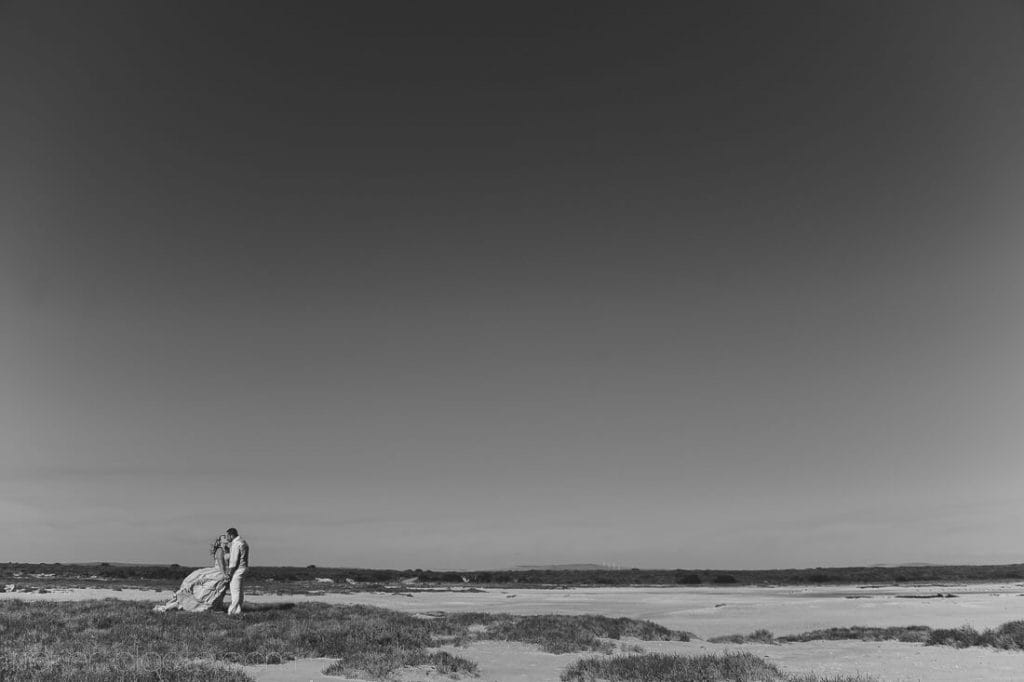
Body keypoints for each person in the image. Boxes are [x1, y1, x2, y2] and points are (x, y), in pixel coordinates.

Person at [153, 535, 231, 612]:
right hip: (219, 571)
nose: (226, 538)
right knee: (210, 587)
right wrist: (224, 573)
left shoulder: (227, 550)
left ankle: (213, 605)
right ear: (220, 541)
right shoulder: (219, 550)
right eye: (224, 537)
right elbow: (221, 563)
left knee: (217, 589)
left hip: (224, 572)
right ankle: (199, 604)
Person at [225, 527, 249, 615]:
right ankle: (238, 610)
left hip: (237, 570)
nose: (226, 538)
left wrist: (229, 573)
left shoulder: (236, 544)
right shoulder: (243, 542)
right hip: (244, 568)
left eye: (227, 536)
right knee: (240, 591)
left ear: (231, 535)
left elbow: (234, 561)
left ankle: (232, 612)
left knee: (235, 592)